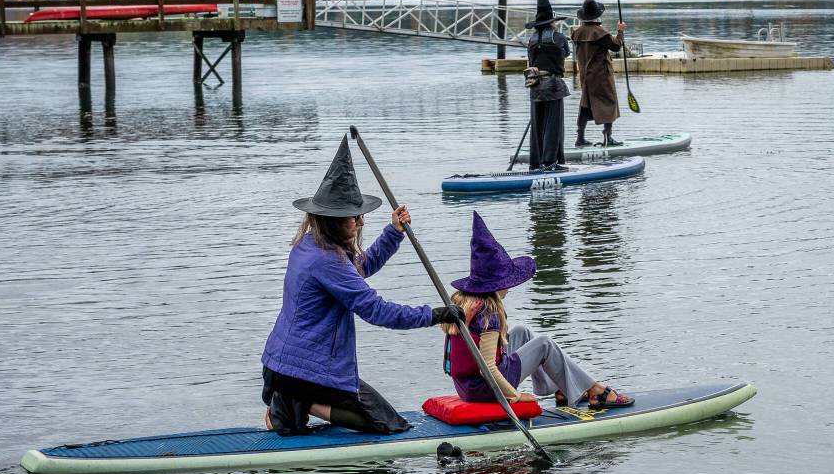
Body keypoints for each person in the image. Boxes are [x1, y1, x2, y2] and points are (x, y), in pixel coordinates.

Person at [262, 135, 462, 436]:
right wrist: (435, 315)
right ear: (333, 220)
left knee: (384, 418)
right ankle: (300, 403)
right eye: (355, 217)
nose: (361, 222)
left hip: (281, 365)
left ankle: (290, 402)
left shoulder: (308, 245)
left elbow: (361, 267)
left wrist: (394, 232)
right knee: (386, 423)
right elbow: (377, 311)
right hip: (302, 374)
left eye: (361, 215)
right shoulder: (327, 260)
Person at [440, 211, 634, 408]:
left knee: (522, 332)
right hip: (485, 389)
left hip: (467, 387)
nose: (510, 286)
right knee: (544, 344)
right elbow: (487, 368)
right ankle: (595, 391)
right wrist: (515, 395)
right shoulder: (489, 313)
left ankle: (562, 388)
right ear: (496, 285)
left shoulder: (466, 303)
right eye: (507, 281)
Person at [524, 0, 571, 171]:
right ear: (552, 22)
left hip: (535, 85)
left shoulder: (532, 40)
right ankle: (550, 162)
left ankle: (535, 163)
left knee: (537, 125)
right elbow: (565, 54)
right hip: (552, 85)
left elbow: (531, 60)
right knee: (553, 124)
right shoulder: (558, 37)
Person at [571, 0, 627, 147]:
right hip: (601, 76)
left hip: (584, 75)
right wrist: (620, 32)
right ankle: (607, 137)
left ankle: (580, 138)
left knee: (585, 104)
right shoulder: (600, 32)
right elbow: (616, 46)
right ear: (597, 15)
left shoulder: (577, 33)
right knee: (609, 102)